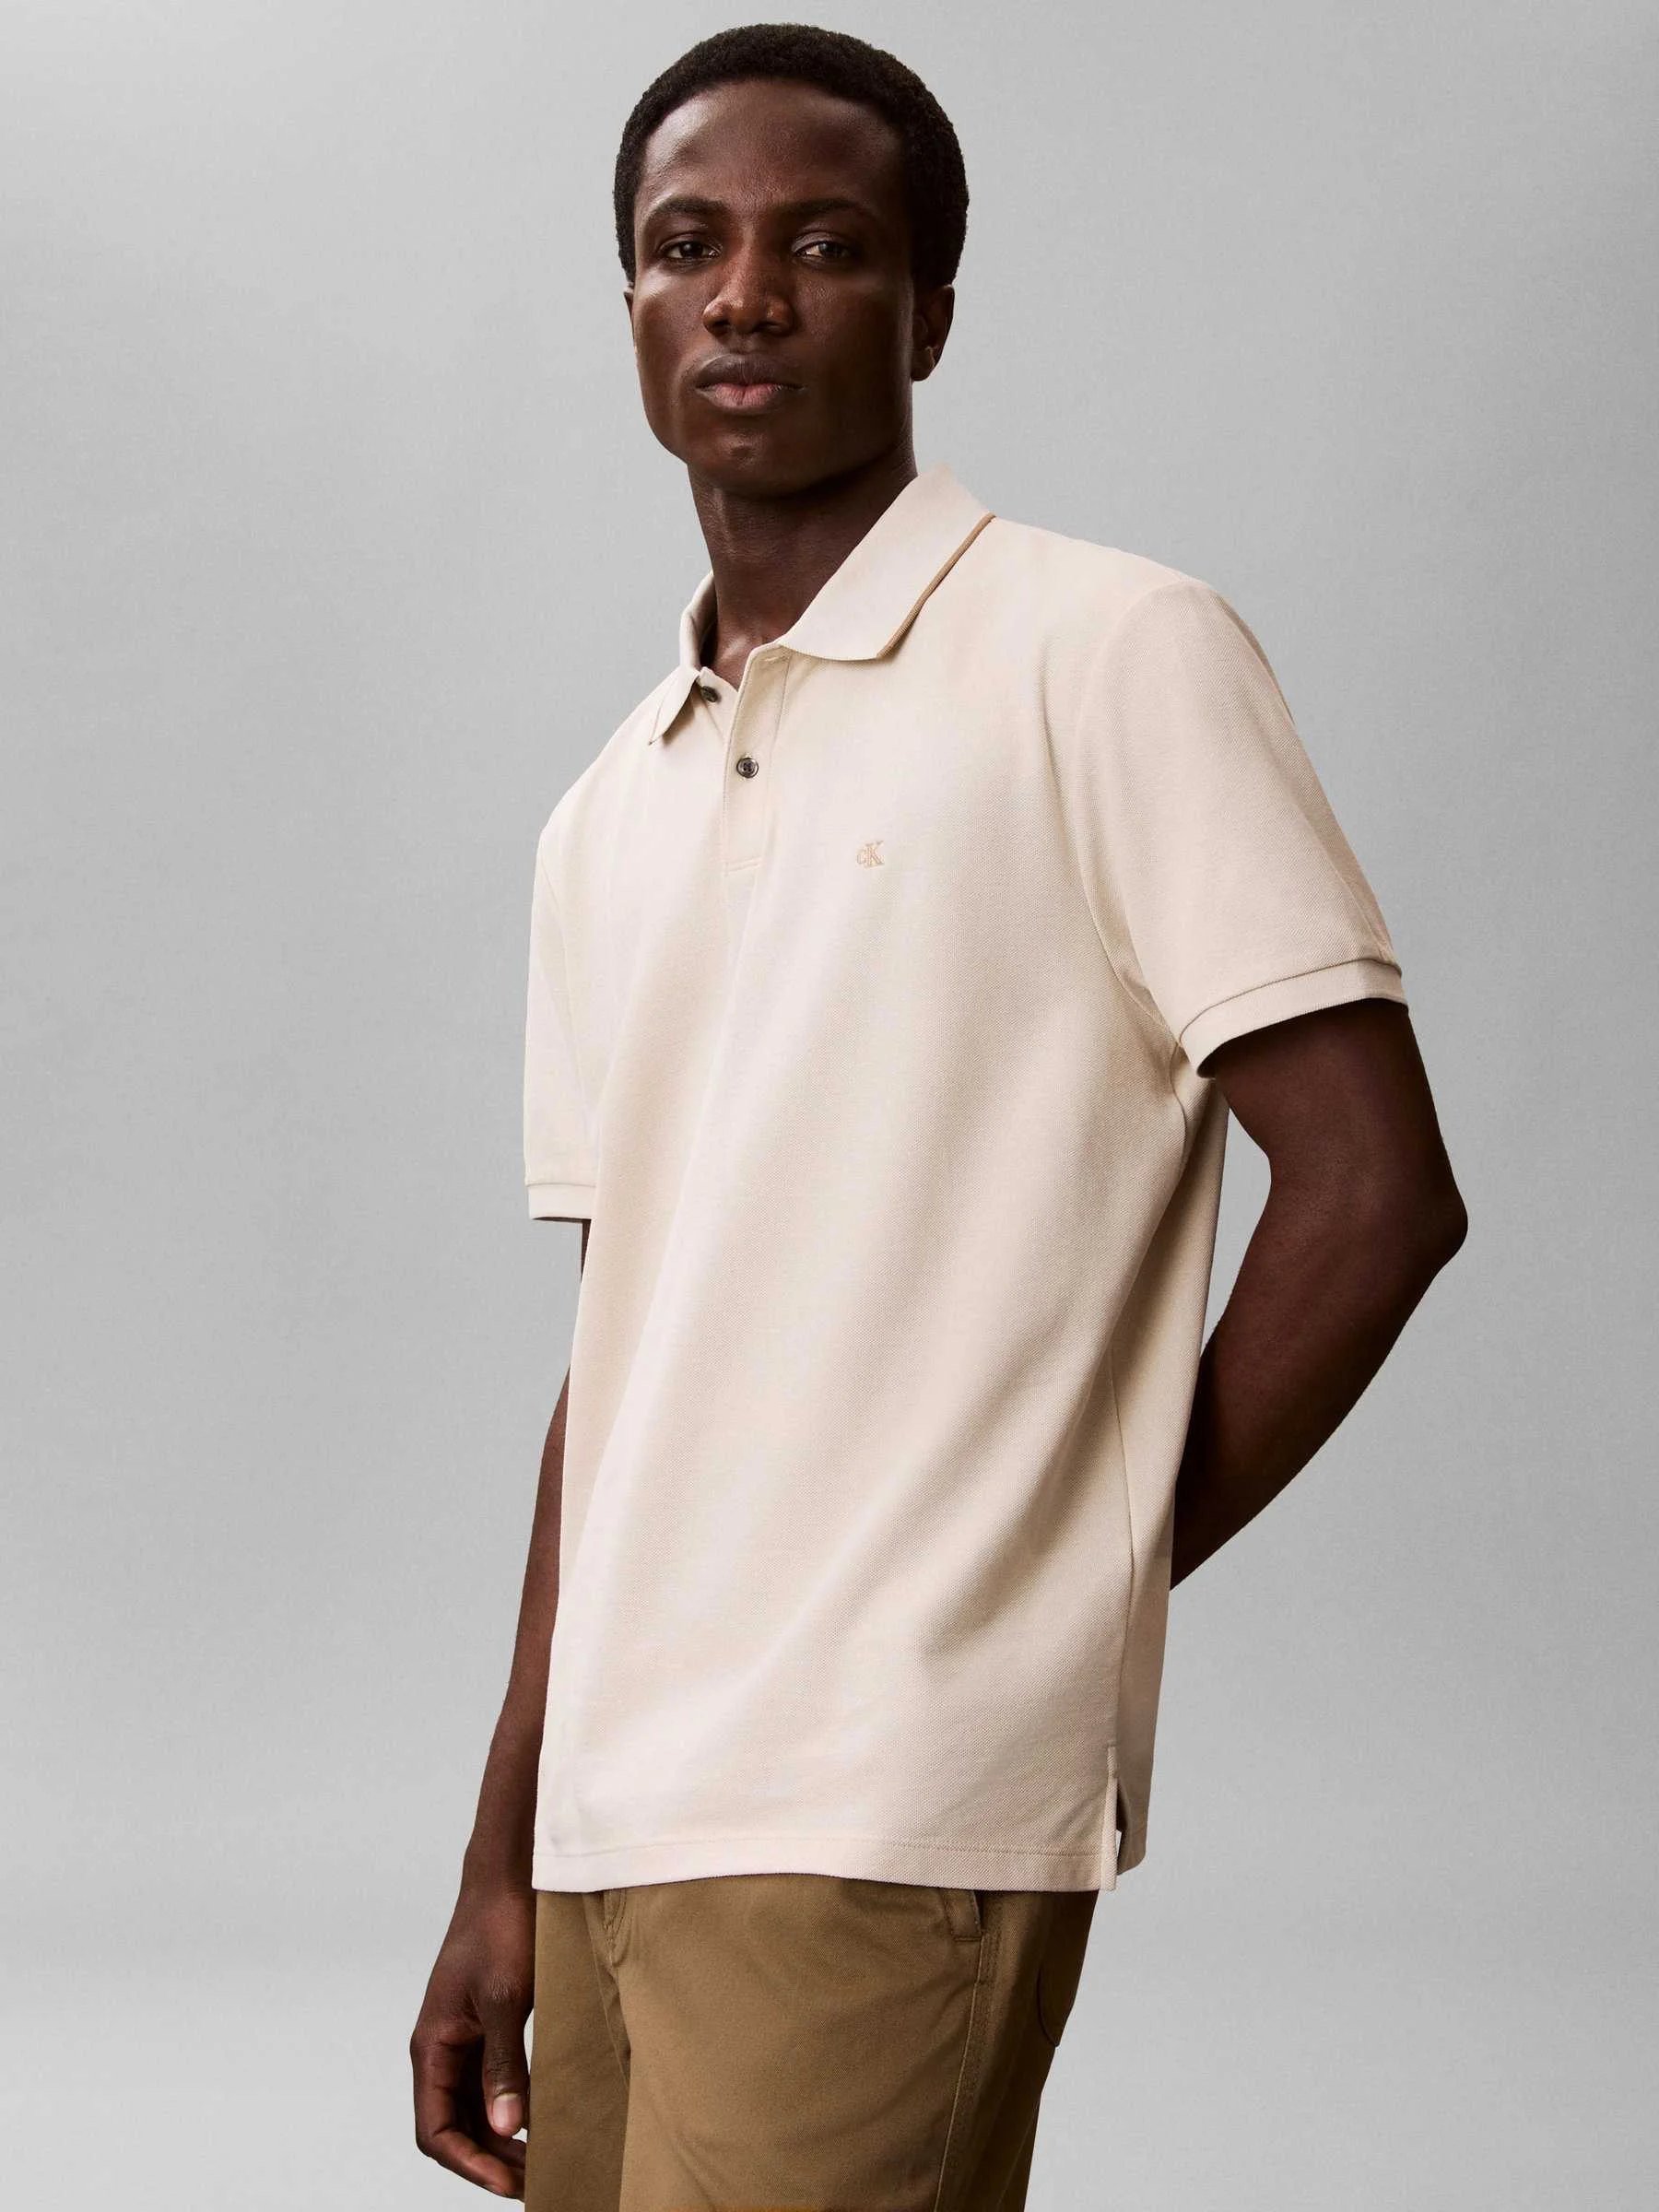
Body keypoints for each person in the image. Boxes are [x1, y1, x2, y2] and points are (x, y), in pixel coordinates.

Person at [411, 22, 1467, 2209]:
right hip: (620, 1818)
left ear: (931, 312)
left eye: (825, 247)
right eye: (685, 246)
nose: (745, 296)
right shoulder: (611, 806)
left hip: (879, 1797)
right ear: (631, 303)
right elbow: (623, 1362)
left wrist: (1049, 1580)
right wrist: (502, 1854)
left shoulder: (1110, 652)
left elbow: (1377, 1193)